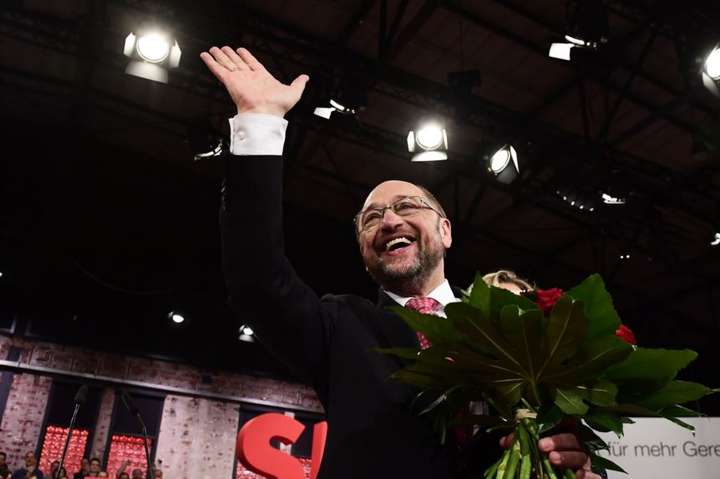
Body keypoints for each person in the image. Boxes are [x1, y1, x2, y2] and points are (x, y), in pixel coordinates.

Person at [200, 46, 600, 479]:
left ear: (445, 231)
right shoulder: (341, 326)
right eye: (372, 218)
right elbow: (257, 279)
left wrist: (572, 464)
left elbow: (556, 437)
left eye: (407, 206)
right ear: (363, 250)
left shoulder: (508, 329)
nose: (390, 220)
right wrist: (260, 120)